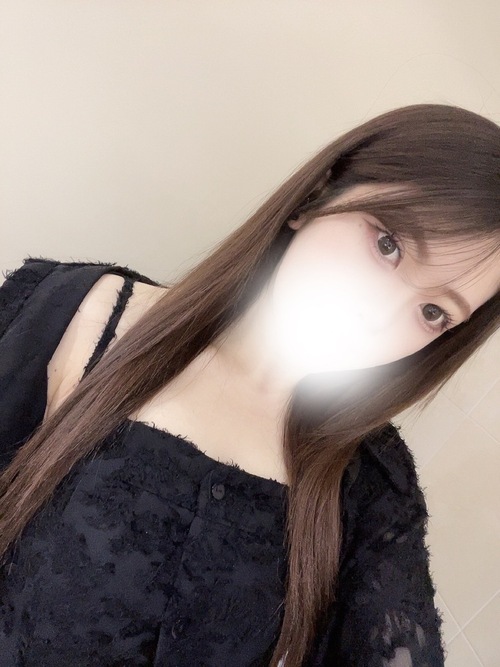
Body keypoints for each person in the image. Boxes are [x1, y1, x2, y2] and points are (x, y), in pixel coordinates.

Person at [0, 103, 499, 667]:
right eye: (388, 245)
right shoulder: (70, 314)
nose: (379, 319)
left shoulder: (371, 486)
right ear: (317, 195)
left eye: (433, 312)